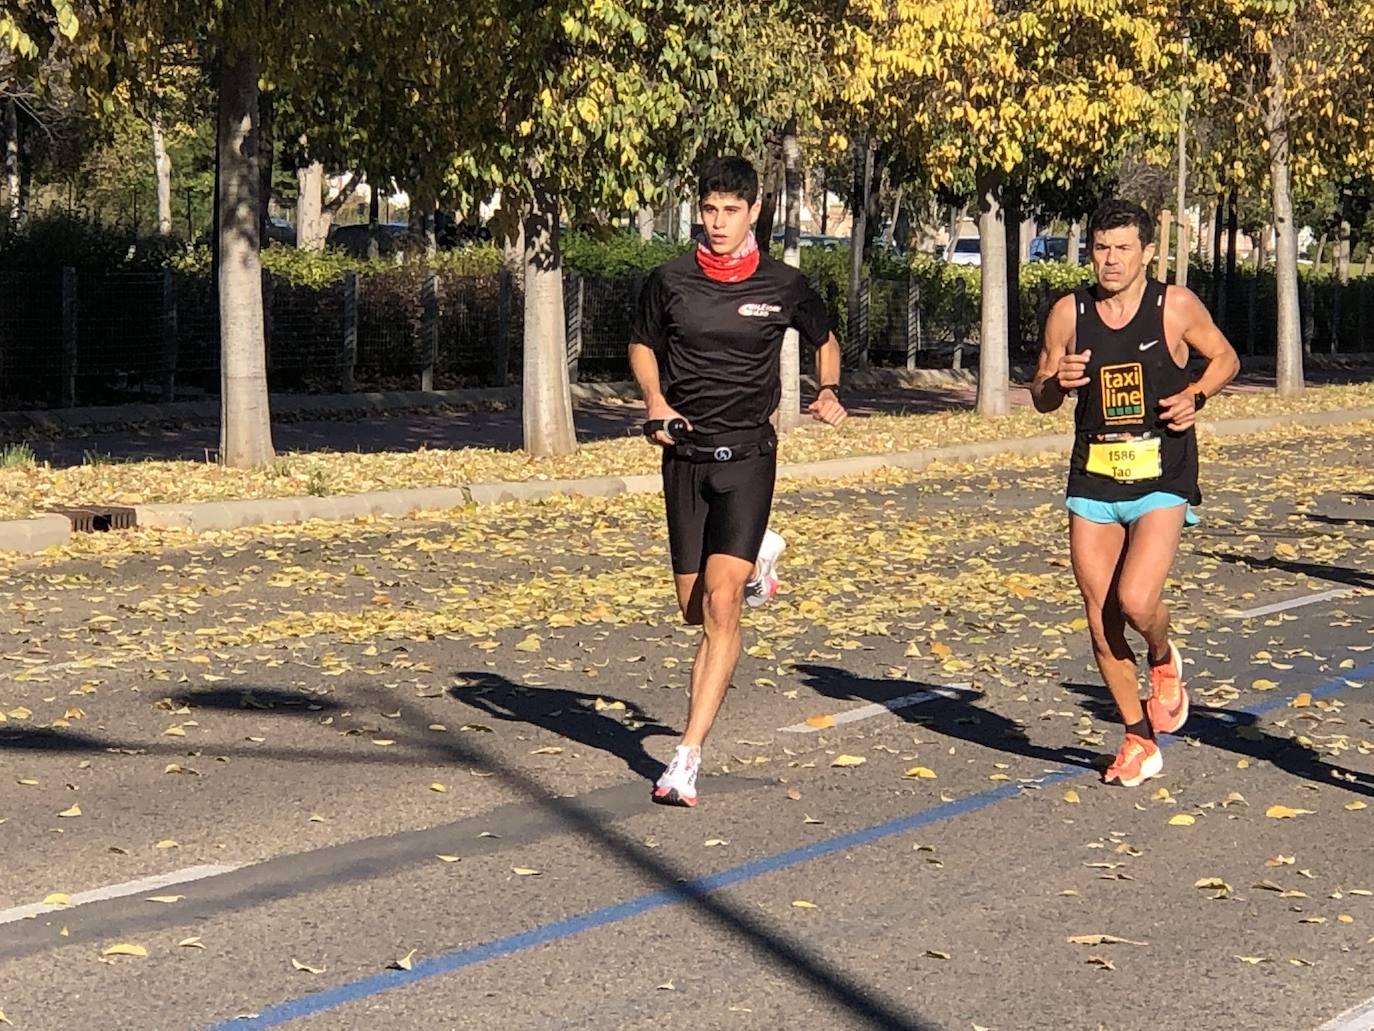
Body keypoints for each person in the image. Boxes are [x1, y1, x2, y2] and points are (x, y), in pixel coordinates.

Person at [629, 156, 847, 807]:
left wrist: (827, 387)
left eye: (731, 210)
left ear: (754, 212)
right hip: (684, 457)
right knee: (693, 606)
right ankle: (758, 563)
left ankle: (686, 756)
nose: (718, 222)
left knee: (722, 607)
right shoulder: (669, 280)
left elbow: (826, 338)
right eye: (709, 209)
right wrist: (654, 400)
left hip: (749, 456)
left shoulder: (784, 284)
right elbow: (642, 342)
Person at [1031, 199, 1239, 787]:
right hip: (1094, 476)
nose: (1111, 259)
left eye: (1124, 248)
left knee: (1137, 601)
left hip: (1160, 473)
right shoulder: (1069, 313)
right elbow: (1042, 389)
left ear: (1148, 252)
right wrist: (1056, 383)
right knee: (1100, 622)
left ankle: (1162, 655)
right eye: (1101, 248)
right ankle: (1137, 738)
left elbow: (1225, 357)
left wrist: (1195, 395)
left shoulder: (1173, 306)